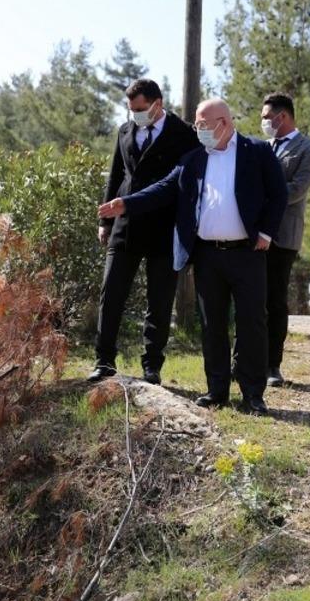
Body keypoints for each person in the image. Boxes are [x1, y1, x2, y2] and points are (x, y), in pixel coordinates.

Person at [98, 98, 287, 414]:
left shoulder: (257, 152)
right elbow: (163, 189)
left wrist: (267, 233)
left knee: (252, 324)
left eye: (201, 124)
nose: (197, 130)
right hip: (207, 255)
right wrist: (126, 203)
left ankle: (253, 394)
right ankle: (217, 391)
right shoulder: (193, 159)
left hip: (247, 252)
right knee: (212, 325)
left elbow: (278, 194)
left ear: (223, 123)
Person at [89, 79, 200, 385]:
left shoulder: (184, 134)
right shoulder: (125, 131)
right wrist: (105, 221)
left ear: (157, 104)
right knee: (111, 294)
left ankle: (152, 365)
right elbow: (115, 174)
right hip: (124, 224)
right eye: (131, 110)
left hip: (164, 226)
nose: (135, 115)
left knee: (159, 300)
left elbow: (185, 183)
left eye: (140, 109)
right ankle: (104, 361)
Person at [260, 93, 310, 387]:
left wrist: (260, 194)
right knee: (251, 300)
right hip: (251, 233)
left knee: (274, 300)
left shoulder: (309, 148)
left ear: (282, 117)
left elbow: (297, 190)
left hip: (283, 235)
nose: (264, 123)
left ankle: (273, 364)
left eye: (266, 117)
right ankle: (249, 359)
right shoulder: (261, 147)